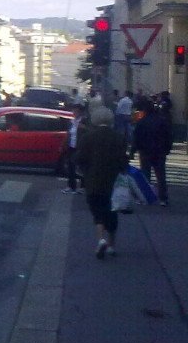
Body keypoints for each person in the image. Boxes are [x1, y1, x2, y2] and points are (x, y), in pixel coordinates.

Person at [76, 106, 128, 259]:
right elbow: (123, 160)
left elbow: (80, 158)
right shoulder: (118, 137)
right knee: (112, 211)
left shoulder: (88, 137)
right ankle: (111, 245)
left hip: (93, 180)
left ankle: (101, 239)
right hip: (112, 181)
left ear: (94, 120)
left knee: (97, 211)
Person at [131, 98, 172, 206]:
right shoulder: (162, 121)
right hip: (159, 151)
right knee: (161, 175)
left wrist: (132, 151)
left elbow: (136, 137)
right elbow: (168, 136)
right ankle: (163, 198)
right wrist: (167, 148)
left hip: (145, 151)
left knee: (145, 174)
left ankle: (146, 196)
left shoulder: (141, 122)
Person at [63, 106, 88, 194]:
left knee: (81, 167)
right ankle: (71, 186)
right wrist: (65, 144)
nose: (75, 113)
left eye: (77, 111)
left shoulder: (84, 121)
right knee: (71, 166)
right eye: (74, 111)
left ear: (80, 112)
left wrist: (84, 127)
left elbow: (89, 131)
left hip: (80, 147)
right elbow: (69, 133)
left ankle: (83, 187)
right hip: (71, 146)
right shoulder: (71, 122)